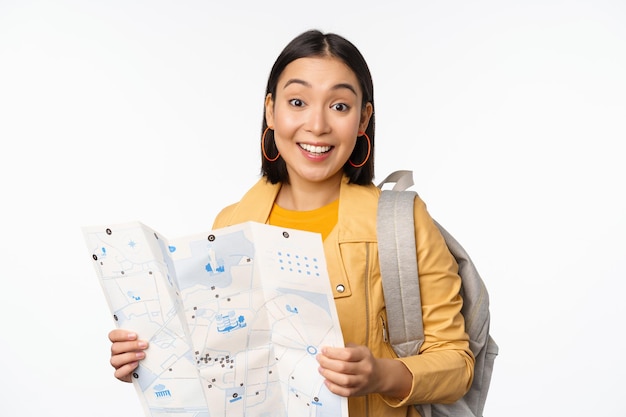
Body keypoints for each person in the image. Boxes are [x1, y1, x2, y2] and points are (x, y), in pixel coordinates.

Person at [108, 29, 474, 416]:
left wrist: (380, 375)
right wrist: (150, 355)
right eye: (297, 102)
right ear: (270, 110)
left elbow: (457, 364)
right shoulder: (230, 224)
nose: (316, 125)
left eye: (340, 106)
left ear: (363, 118)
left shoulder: (402, 222)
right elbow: (216, 367)